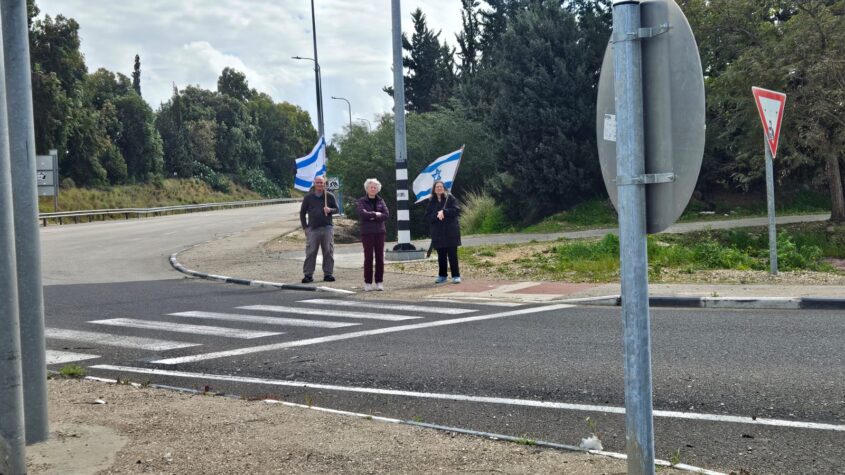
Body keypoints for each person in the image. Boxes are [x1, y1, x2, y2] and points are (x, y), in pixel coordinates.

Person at [299, 176, 338, 283]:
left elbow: (337, 209)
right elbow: (302, 213)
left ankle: (328, 274)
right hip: (313, 229)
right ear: (314, 183)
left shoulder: (329, 196)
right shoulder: (308, 197)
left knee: (328, 252)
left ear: (324, 183)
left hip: (327, 228)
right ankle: (308, 275)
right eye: (318, 182)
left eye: (321, 182)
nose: (320, 184)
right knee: (311, 252)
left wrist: (330, 210)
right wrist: (305, 227)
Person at [356, 178, 390, 291]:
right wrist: (376, 214)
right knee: (368, 258)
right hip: (367, 233)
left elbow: (386, 215)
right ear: (367, 188)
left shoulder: (381, 201)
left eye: (375, 187)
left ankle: (379, 282)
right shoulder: (361, 201)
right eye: (371, 187)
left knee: (380, 258)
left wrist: (371, 215)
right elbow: (362, 214)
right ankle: (368, 282)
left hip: (380, 232)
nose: (373, 189)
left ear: (378, 189)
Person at [425, 180, 461, 284]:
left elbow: (457, 210)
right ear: (434, 189)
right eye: (437, 187)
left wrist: (445, 212)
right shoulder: (431, 202)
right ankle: (442, 275)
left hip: (451, 232)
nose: (439, 188)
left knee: (453, 255)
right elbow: (428, 217)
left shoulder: (450, 198)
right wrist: (437, 215)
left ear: (444, 188)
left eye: (441, 187)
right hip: (438, 233)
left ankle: (456, 275)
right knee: (441, 256)